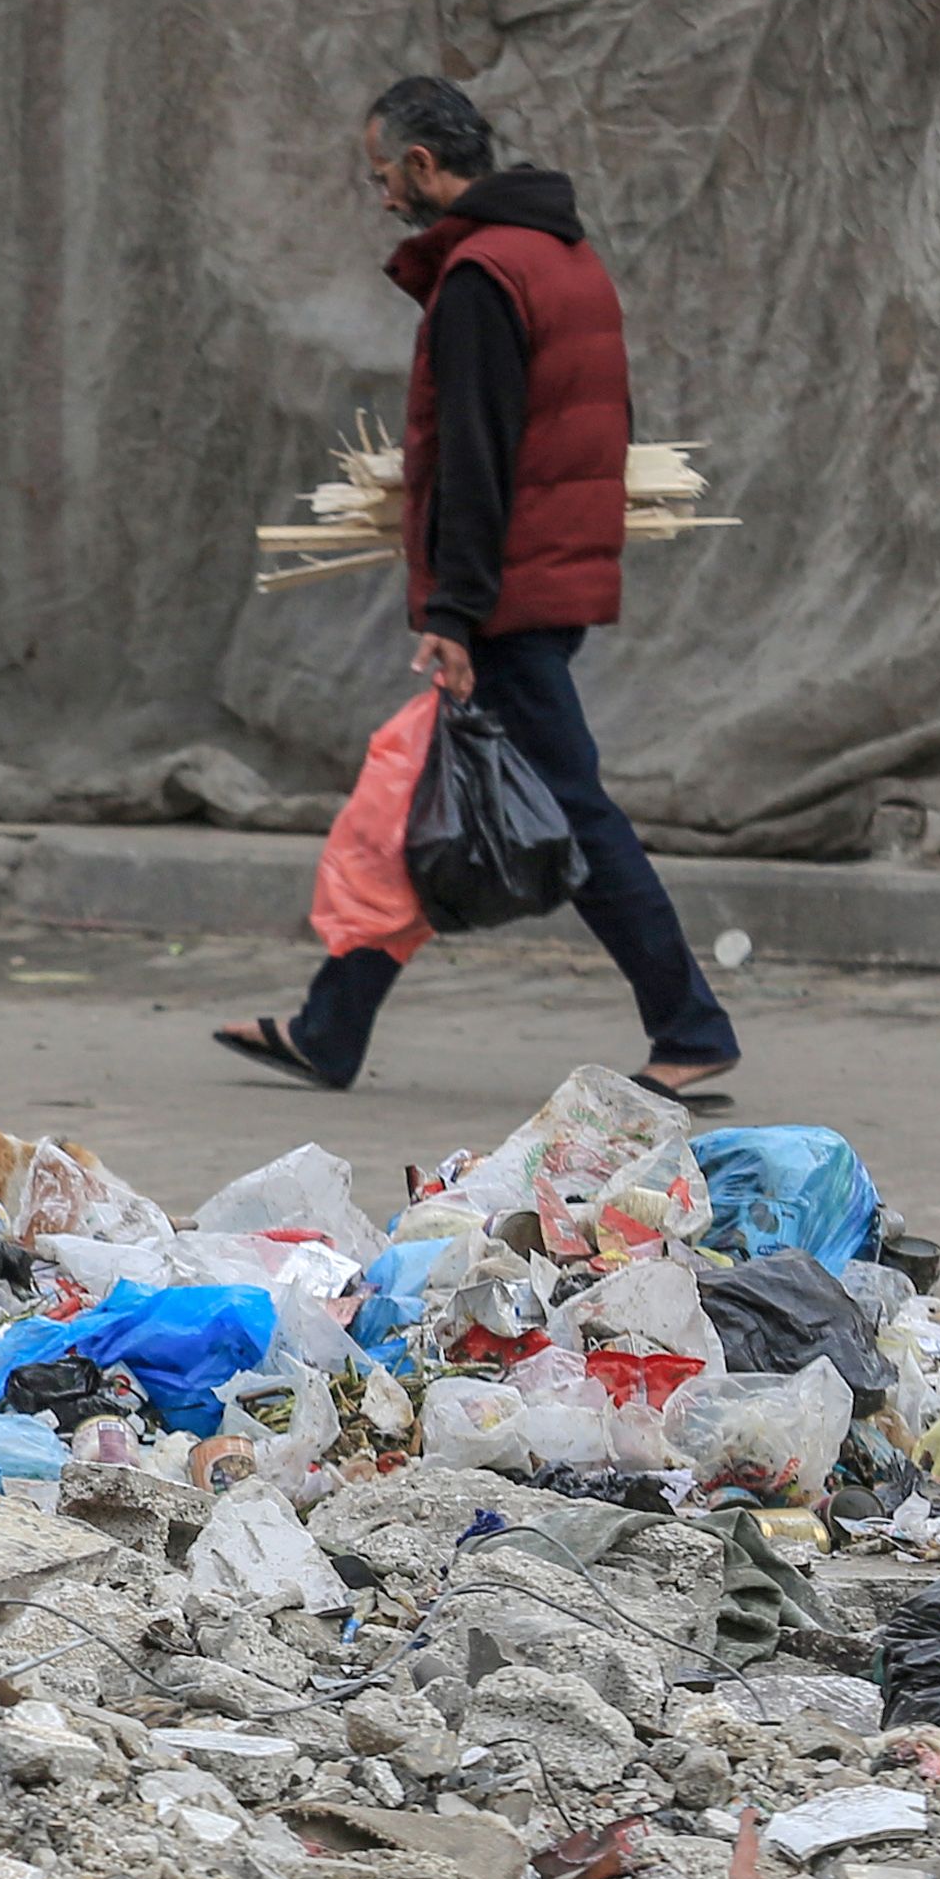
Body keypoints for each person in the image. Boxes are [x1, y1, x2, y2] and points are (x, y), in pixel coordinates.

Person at [216, 76, 740, 1109]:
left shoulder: (479, 277)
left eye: (381, 176)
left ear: (421, 166)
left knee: (574, 814)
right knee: (434, 798)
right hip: (549, 571)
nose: (380, 200)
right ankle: (330, 1026)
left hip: (508, 590)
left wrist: (452, 614)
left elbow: (474, 458)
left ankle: (690, 1024)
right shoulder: (564, 257)